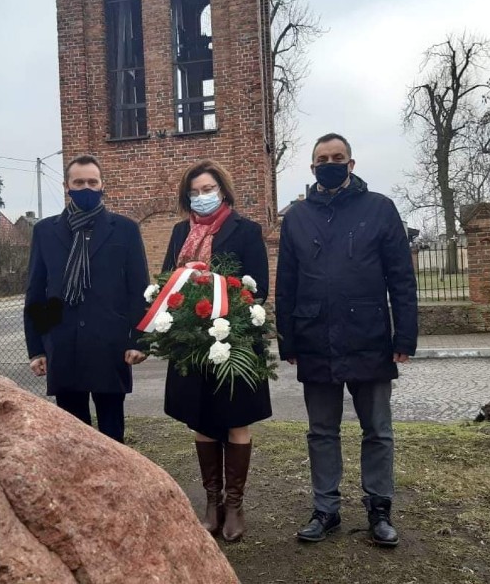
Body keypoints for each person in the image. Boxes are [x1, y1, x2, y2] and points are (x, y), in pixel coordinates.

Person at [276, 133, 418, 547]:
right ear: (312, 167)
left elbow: (401, 279)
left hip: (369, 335)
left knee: (377, 429)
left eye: (338, 157)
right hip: (315, 336)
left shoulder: (380, 210)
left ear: (351, 164)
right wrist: (288, 340)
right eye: (323, 158)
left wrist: (404, 335)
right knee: (321, 430)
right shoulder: (298, 217)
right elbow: (286, 283)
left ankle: (379, 508)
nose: (330, 163)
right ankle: (326, 508)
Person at [161, 159, 272, 542]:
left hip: (235, 341)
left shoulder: (246, 230)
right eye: (194, 191)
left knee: (236, 420)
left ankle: (235, 505)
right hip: (192, 343)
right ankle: (213, 502)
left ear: (222, 191)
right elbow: (167, 284)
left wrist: (224, 301)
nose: (201, 196)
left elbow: (258, 289)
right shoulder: (179, 233)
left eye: (208, 189)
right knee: (203, 421)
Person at [24, 154, 150, 444]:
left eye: (93, 182)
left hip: (110, 346)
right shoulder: (45, 231)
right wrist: (37, 349)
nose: (87, 188)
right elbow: (36, 291)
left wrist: (139, 340)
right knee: (72, 436)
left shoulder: (125, 229)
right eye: (79, 182)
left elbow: (138, 289)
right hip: (63, 345)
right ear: (67, 186)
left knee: (112, 435)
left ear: (103, 185)